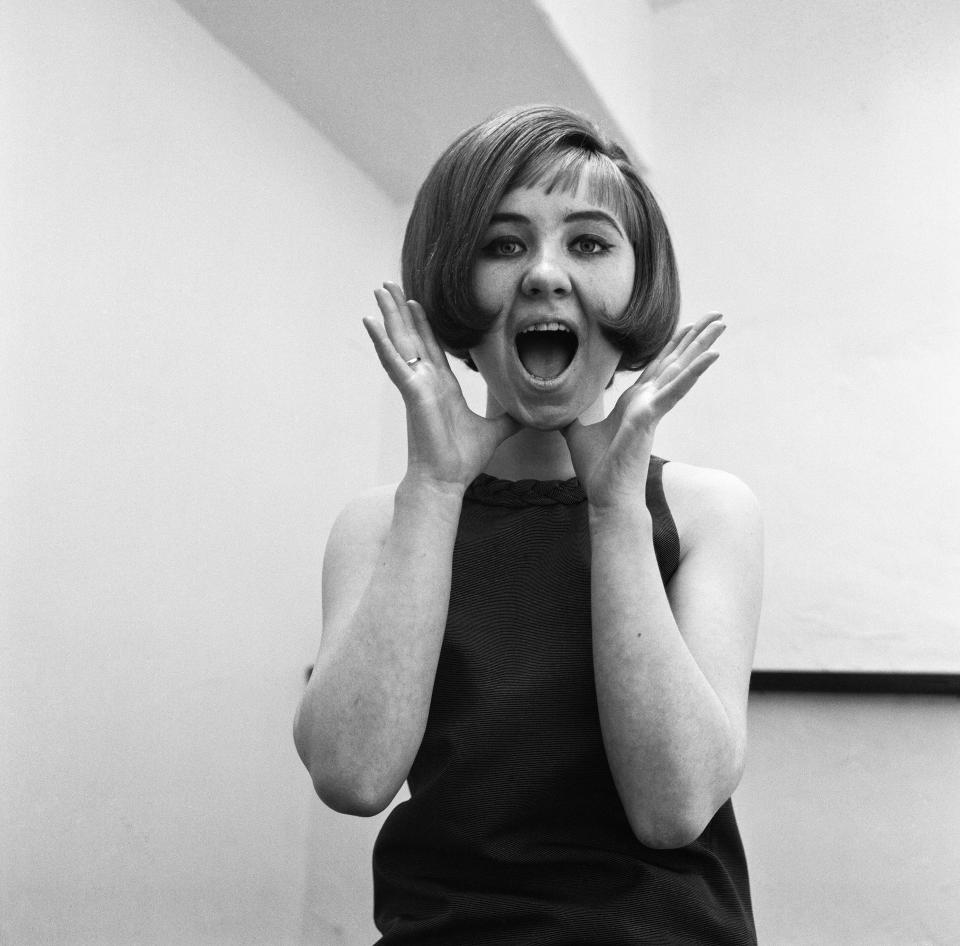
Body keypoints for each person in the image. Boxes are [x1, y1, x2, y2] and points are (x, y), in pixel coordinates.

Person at [294, 104, 763, 945]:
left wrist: (615, 507)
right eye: (503, 245)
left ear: (637, 291)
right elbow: (352, 776)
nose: (545, 275)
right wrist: (435, 488)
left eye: (587, 243)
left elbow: (675, 806)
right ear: (454, 291)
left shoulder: (705, 511)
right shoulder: (378, 524)